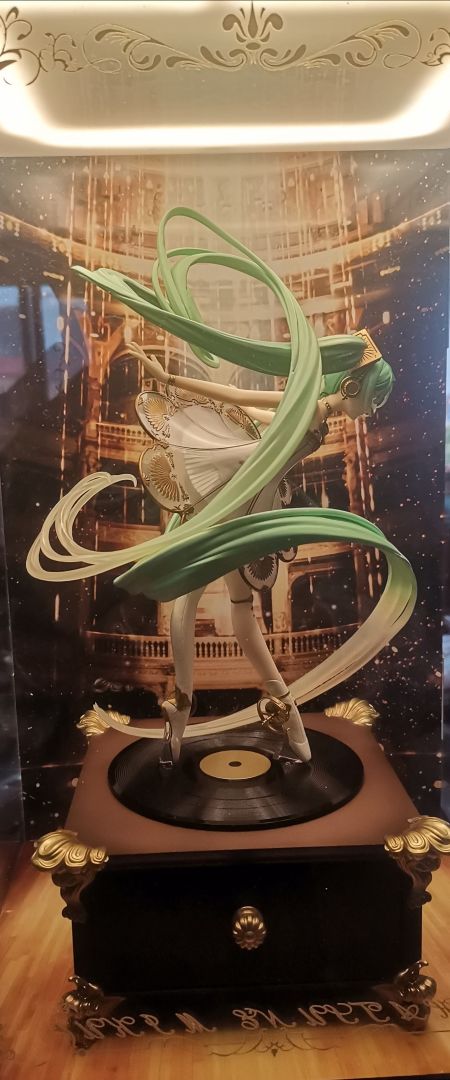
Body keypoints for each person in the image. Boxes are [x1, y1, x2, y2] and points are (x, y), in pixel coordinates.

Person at [27, 208, 415, 767]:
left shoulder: (315, 413)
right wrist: (170, 379)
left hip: (251, 506)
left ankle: (248, 710)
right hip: (233, 488)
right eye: (373, 400)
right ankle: (209, 714)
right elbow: (239, 401)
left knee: (231, 612)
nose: (371, 412)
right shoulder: (308, 407)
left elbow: (254, 415)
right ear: (353, 385)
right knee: (203, 609)